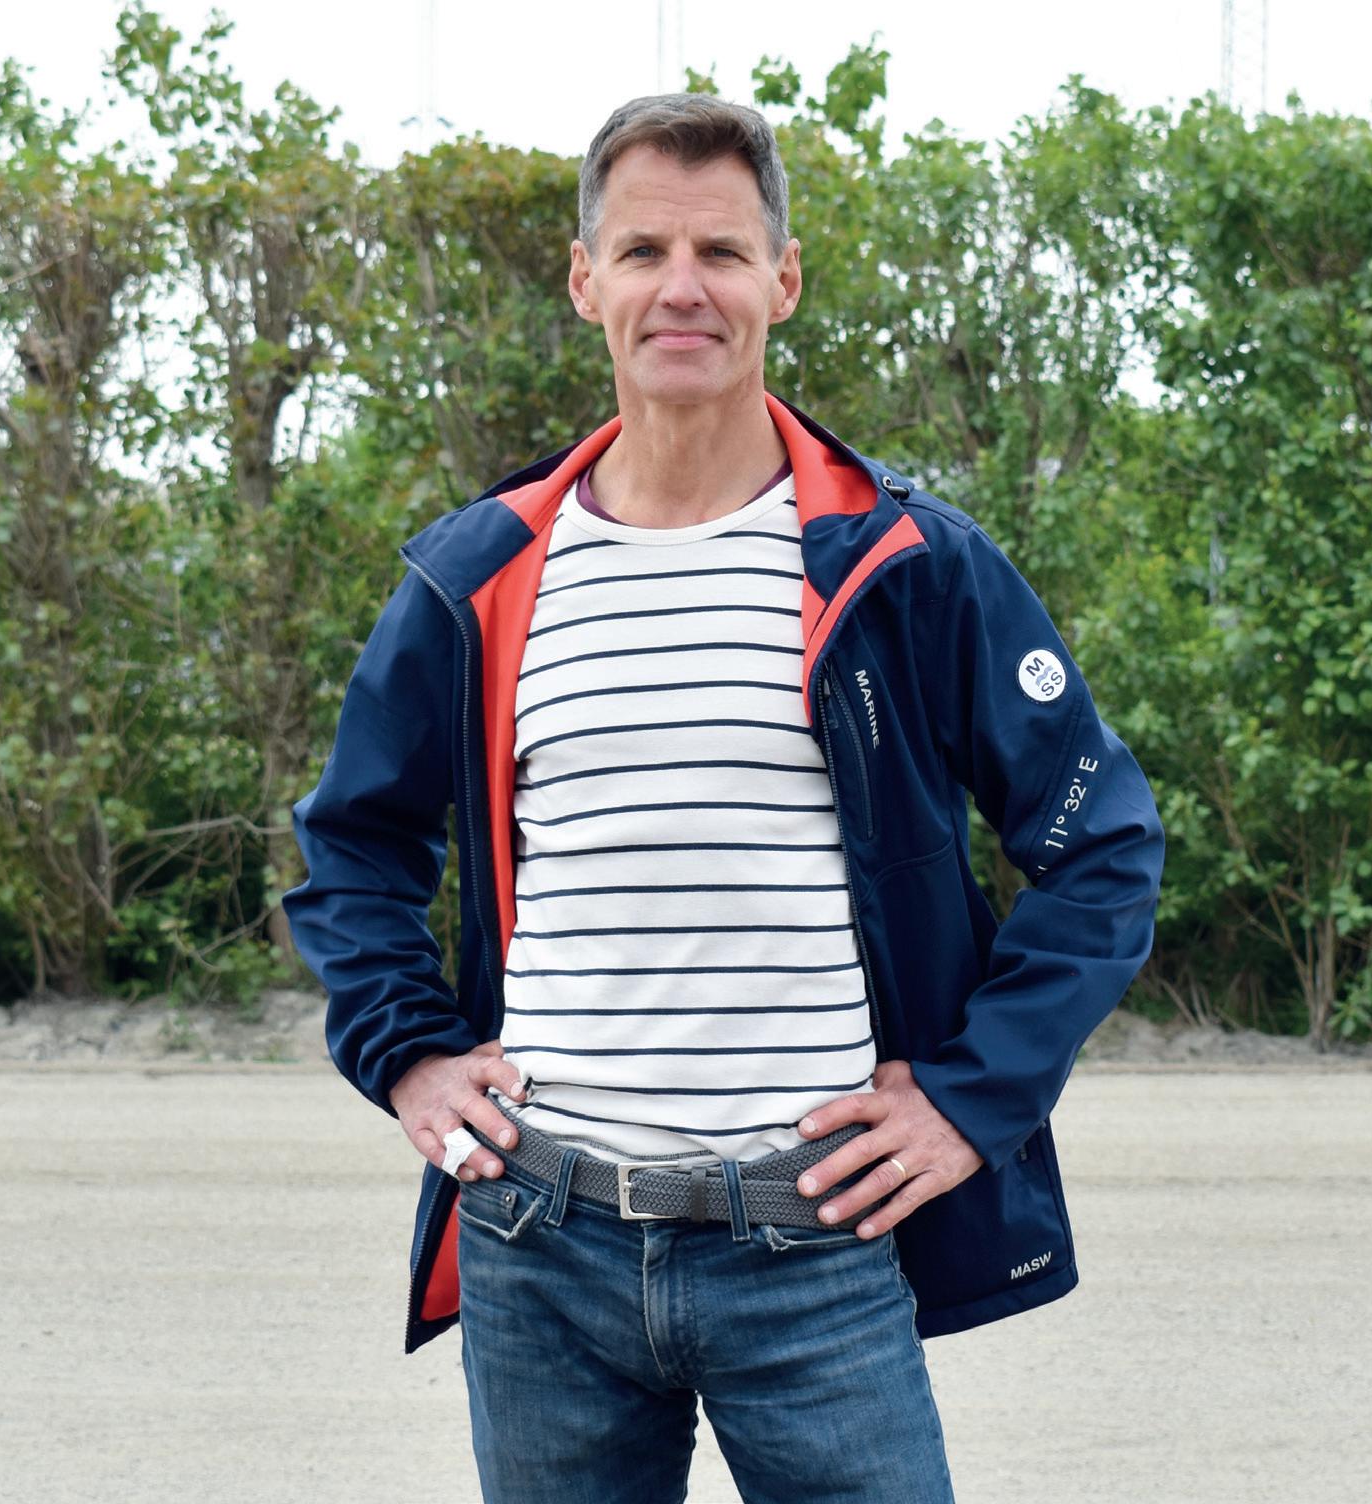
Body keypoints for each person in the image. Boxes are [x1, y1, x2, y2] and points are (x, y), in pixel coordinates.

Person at [285, 91, 1163, 1504]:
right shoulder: (478, 574)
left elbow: (1103, 847)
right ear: (588, 283)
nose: (681, 287)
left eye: (722, 253)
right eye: (643, 252)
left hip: (812, 1243)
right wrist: (409, 1057)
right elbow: (352, 844)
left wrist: (968, 1099)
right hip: (537, 1243)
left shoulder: (907, 565)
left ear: (783, 280)